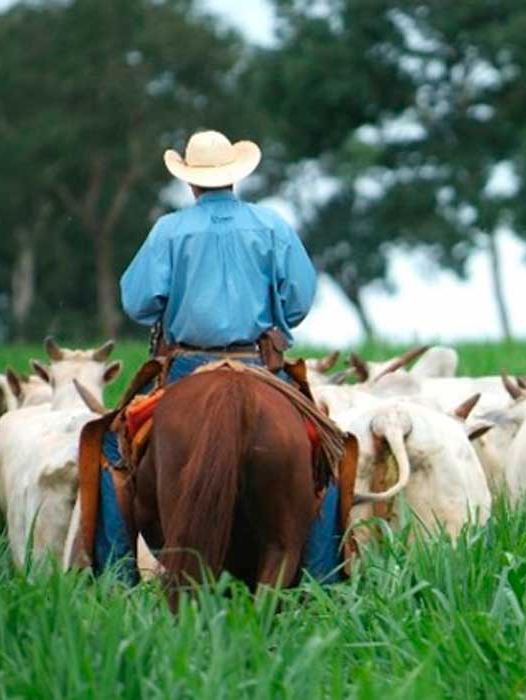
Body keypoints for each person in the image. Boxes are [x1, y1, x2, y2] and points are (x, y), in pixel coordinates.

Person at [95, 130, 344, 582]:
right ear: (235, 178)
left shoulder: (169, 230)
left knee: (111, 446)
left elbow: (137, 303)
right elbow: (300, 299)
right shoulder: (271, 226)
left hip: (187, 365)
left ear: (190, 183)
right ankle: (323, 581)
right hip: (259, 365)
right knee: (329, 449)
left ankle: (116, 578)